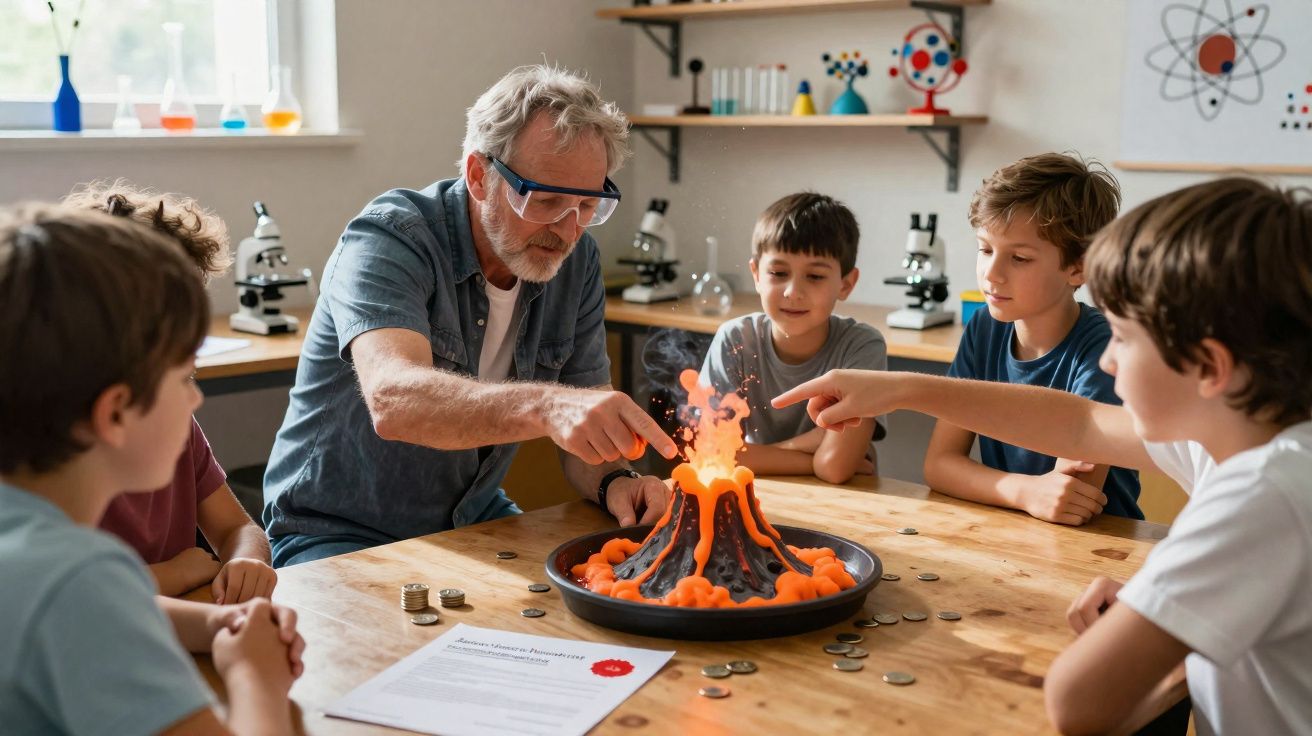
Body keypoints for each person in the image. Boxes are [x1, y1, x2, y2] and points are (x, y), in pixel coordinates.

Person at [772, 178, 1312, 735]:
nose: (1108, 363)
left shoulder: (1262, 494)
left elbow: (1078, 701)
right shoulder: (1244, 433)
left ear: (1210, 366)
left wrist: (1153, 604)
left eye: (1125, 339)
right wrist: (901, 389)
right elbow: (1077, 422)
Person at [263, 64, 678, 567]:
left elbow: (583, 432)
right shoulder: (389, 239)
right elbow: (395, 400)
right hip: (339, 530)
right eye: (545, 200)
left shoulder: (576, 261)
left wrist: (615, 480)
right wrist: (548, 407)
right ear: (479, 176)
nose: (568, 231)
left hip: (473, 517)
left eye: (588, 205)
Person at [0, 204, 303, 734]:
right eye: (185, 376)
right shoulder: (80, 577)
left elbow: (94, 620)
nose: (197, 399)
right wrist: (258, 677)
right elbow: (90, 603)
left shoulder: (31, 547)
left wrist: (218, 623)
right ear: (116, 412)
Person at [63, 181, 276, 603]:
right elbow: (72, 596)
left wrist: (246, 563)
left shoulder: (174, 421)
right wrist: (176, 573)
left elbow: (238, 528)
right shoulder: (54, 449)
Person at [925, 153, 1141, 524]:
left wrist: (1012, 491)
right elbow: (939, 464)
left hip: (1100, 548)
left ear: (1078, 268)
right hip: (1017, 530)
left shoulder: (1106, 347)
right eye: (986, 249)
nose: (992, 273)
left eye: (1020, 258)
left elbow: (1071, 497)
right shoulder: (984, 328)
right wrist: (1025, 492)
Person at [699, 192, 886, 484]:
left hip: (839, 504)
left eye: (815, 277)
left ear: (846, 284)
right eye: (778, 272)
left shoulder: (862, 346)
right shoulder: (735, 339)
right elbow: (711, 455)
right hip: (758, 494)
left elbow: (835, 469)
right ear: (757, 274)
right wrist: (809, 446)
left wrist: (753, 455)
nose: (792, 292)